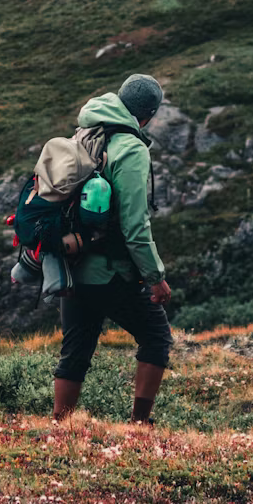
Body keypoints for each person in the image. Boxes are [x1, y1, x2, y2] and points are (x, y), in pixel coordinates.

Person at [52, 73, 174, 424]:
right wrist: (156, 278)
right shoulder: (132, 149)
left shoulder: (85, 133)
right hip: (109, 270)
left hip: (72, 263)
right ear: (148, 115)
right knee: (156, 336)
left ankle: (62, 427)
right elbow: (135, 226)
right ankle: (139, 424)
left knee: (76, 347)